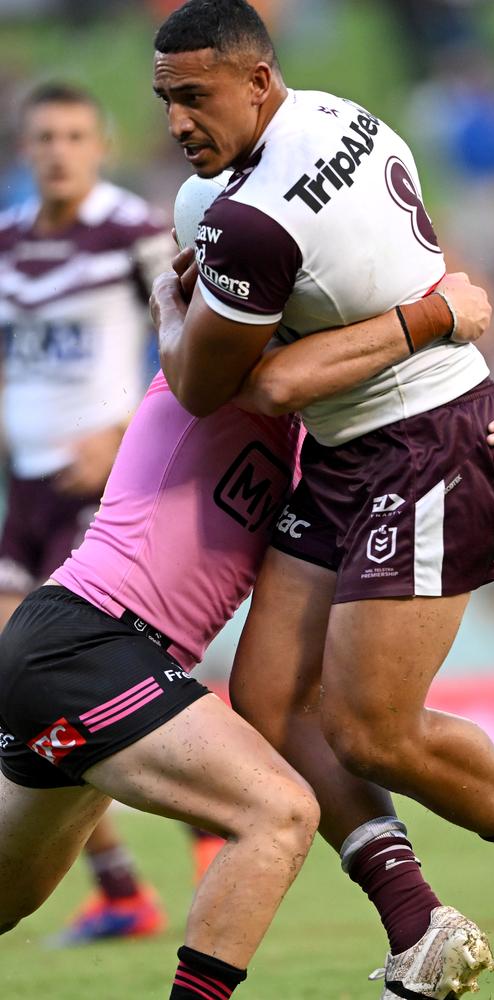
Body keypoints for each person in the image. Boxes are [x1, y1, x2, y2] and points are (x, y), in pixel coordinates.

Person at [149, 3, 494, 999]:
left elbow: (219, 387)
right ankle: (418, 922)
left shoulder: (240, 218)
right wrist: (441, 316)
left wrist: (173, 313)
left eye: (195, 98)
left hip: (426, 443)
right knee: (269, 699)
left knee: (372, 729)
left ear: (256, 82)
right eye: (164, 101)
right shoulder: (340, 113)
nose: (177, 123)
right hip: (357, 443)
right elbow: (394, 287)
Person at [0, 190, 494, 998]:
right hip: (91, 643)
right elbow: (273, 362)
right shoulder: (220, 381)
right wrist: (433, 313)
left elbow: (395, 458)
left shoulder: (322, 445)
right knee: (279, 814)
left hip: (83, 658)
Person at [0, 80, 222, 945]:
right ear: (26, 147)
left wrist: (128, 425)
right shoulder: (10, 242)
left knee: (86, 672)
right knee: (22, 690)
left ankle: (204, 813)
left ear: (99, 145)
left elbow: (208, 339)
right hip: (25, 490)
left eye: (74, 134)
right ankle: (124, 886)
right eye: (44, 135)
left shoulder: (136, 232)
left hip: (107, 489)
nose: (58, 149)